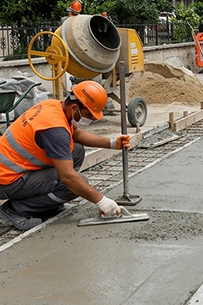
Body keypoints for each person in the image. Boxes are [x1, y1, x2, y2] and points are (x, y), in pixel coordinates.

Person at [0, 81, 131, 231]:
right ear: (75, 108)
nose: (92, 119)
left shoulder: (54, 105)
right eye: (89, 115)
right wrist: (101, 201)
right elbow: (68, 177)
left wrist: (112, 143)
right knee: (74, 184)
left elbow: (76, 133)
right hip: (7, 180)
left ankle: (47, 203)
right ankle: (15, 209)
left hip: (15, 169)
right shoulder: (54, 129)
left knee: (76, 151)